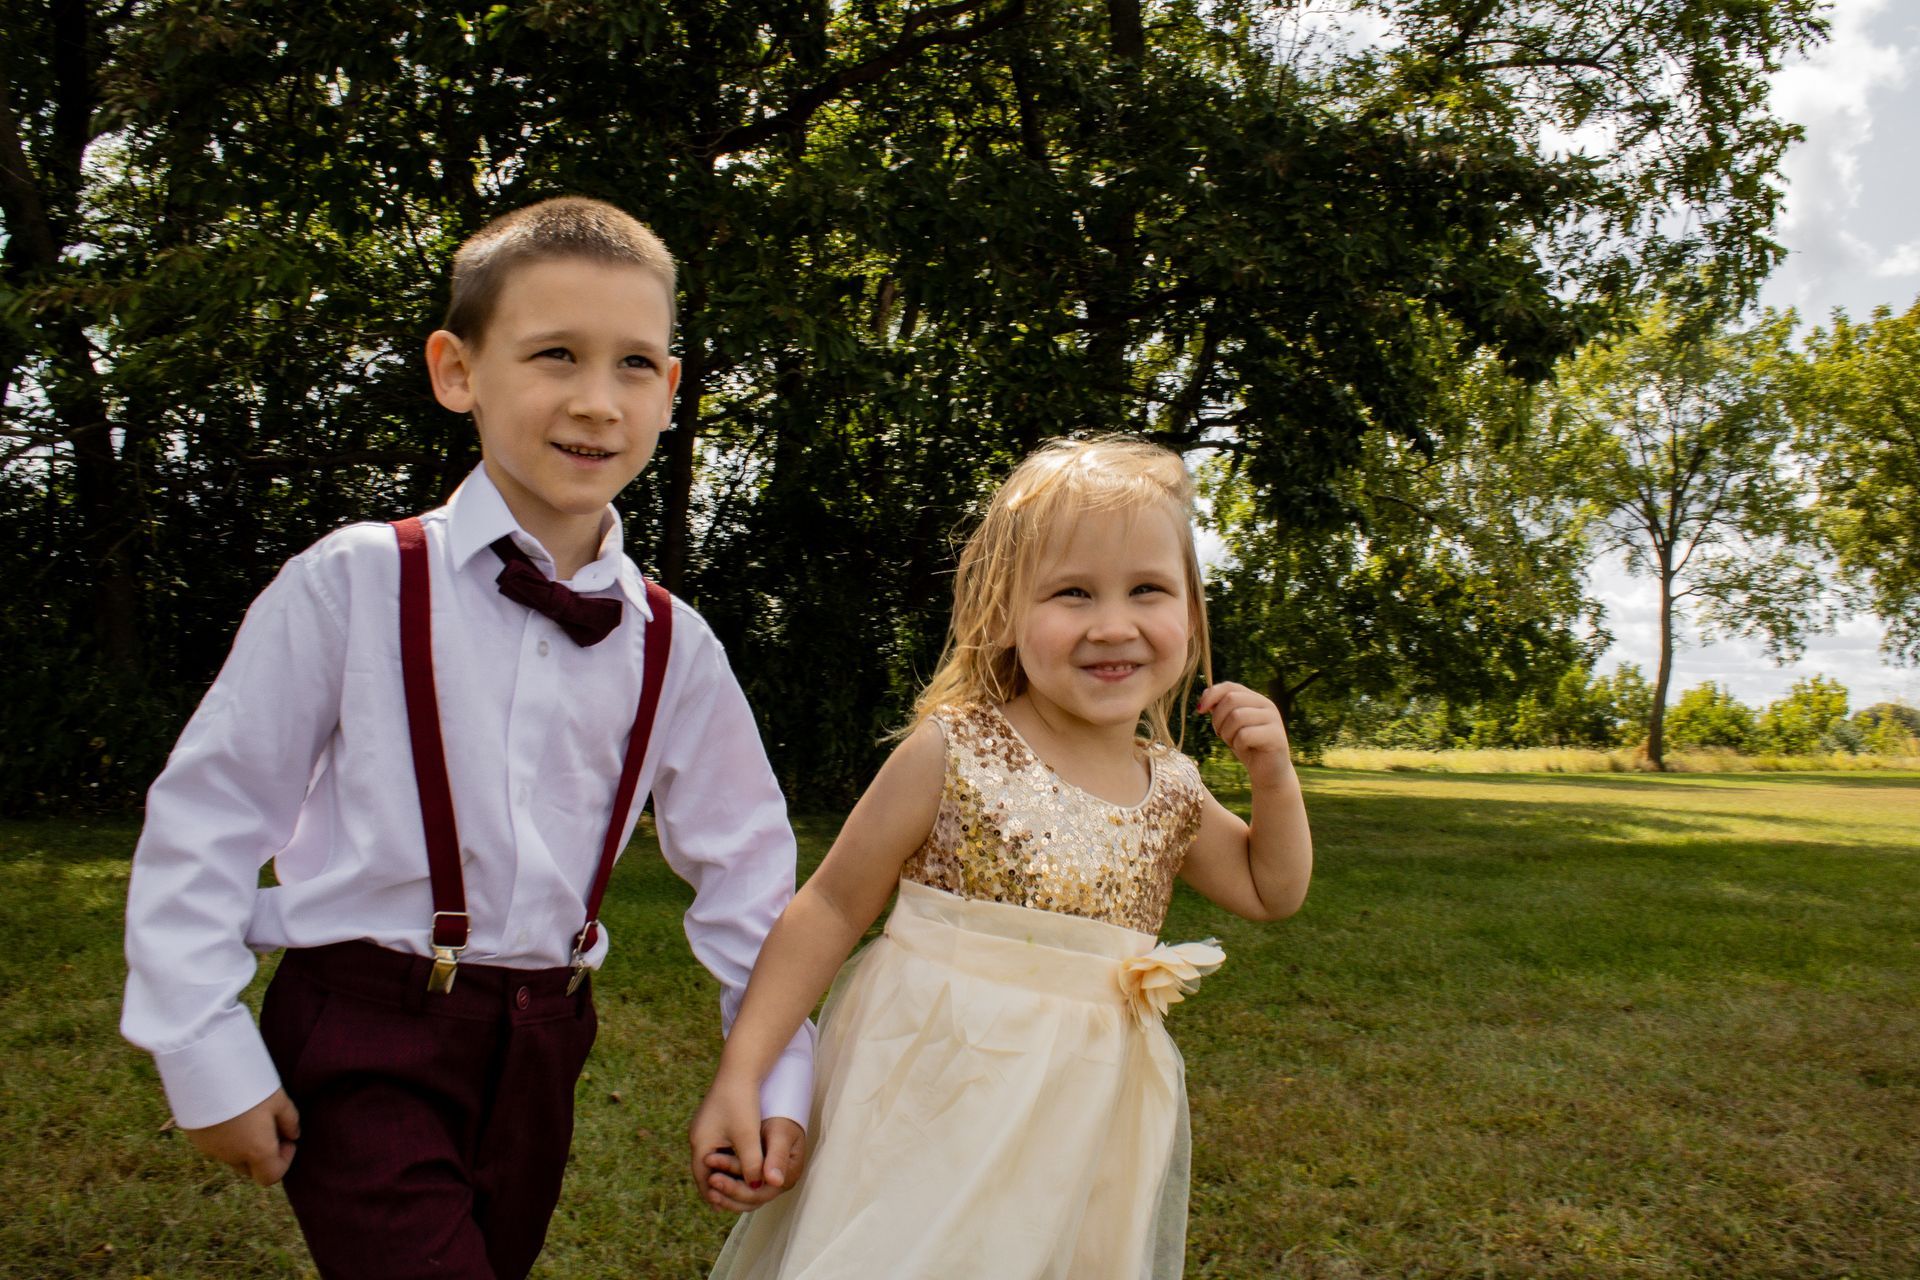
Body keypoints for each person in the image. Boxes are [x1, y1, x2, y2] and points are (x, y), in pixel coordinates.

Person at [120, 196, 812, 1279]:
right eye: (554, 354)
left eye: (635, 364)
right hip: (365, 1023)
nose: (596, 399)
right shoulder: (356, 580)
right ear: (457, 371)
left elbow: (752, 877)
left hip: (543, 1040)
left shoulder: (673, 642)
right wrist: (202, 1046)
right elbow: (209, 813)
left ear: (671, 392)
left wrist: (770, 1073)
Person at [691, 435, 1314, 1278]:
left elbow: (1269, 888)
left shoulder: (1170, 787)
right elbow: (833, 906)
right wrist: (746, 1072)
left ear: (1191, 615)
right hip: (931, 1085)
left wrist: (1273, 775)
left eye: (1147, 590)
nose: (1113, 624)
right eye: (1072, 593)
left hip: (1083, 1112)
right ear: (1004, 614)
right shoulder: (955, 750)